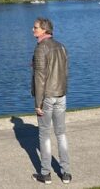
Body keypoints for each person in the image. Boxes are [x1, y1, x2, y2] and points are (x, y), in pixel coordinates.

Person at [31, 17, 71, 184]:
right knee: (61, 134)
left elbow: (40, 78)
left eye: (35, 28)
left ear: (44, 30)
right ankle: (66, 173)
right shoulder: (61, 47)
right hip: (61, 95)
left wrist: (38, 103)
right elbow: (65, 72)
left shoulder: (41, 48)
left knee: (44, 135)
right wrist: (62, 92)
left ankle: (46, 173)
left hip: (47, 97)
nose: (33, 30)